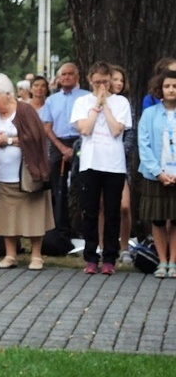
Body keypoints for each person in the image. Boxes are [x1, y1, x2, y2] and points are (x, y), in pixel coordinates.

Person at [0, 74, 54, 270]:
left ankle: (36, 256)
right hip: (4, 176)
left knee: (34, 215)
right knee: (8, 216)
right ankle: (10, 255)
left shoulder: (24, 111)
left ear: (7, 94)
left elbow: (36, 137)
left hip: (28, 175)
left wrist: (7, 140)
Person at [71, 62, 131, 275]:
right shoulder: (82, 101)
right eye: (97, 82)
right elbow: (85, 129)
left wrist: (106, 105)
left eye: (105, 82)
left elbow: (117, 130)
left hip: (113, 164)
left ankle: (109, 258)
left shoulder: (121, 102)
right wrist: (96, 106)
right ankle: (90, 256)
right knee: (90, 210)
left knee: (113, 211)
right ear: (90, 81)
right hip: (90, 162)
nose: (102, 86)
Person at [40, 62, 90, 234]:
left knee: (81, 185)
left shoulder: (86, 97)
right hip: (57, 142)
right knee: (57, 186)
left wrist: (74, 149)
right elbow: (47, 127)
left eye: (70, 74)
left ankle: (82, 227)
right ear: (59, 78)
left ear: (77, 77)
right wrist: (62, 148)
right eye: (64, 74)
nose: (67, 77)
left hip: (81, 141)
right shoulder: (51, 100)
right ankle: (60, 228)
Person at [138, 69, 176, 278]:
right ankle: (162, 261)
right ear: (160, 89)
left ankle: (174, 262)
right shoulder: (150, 113)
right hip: (155, 175)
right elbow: (143, 146)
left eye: (175, 86)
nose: (171, 90)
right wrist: (158, 173)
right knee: (159, 219)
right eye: (167, 86)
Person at [108, 64, 135, 265]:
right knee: (102, 206)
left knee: (124, 206)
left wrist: (117, 152)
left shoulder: (126, 104)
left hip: (120, 162)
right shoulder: (97, 102)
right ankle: (102, 245)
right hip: (98, 161)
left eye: (121, 80)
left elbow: (129, 135)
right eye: (114, 79)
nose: (118, 83)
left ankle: (124, 247)